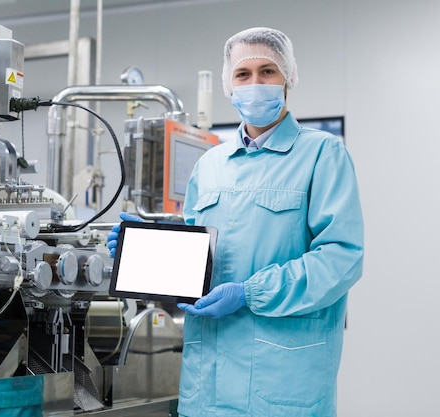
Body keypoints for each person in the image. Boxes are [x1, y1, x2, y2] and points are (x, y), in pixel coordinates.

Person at [108, 27, 363, 417]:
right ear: (230, 85)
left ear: (288, 79)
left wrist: (250, 293)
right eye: (244, 74)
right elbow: (200, 268)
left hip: (281, 388)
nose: (255, 83)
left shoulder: (322, 155)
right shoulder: (210, 165)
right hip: (205, 388)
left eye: (268, 72)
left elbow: (341, 260)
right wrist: (150, 252)